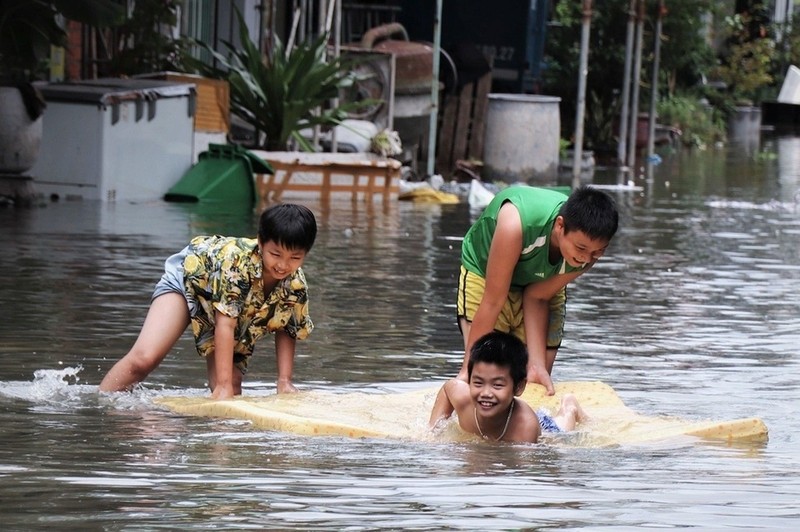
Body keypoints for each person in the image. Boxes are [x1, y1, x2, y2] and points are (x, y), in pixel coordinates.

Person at [99, 203, 317, 400]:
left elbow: (287, 328)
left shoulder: (295, 285)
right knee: (144, 360)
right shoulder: (237, 265)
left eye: (295, 258)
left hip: (226, 308)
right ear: (260, 242)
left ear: (305, 254)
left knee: (233, 385)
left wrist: (284, 381)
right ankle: (98, 405)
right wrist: (222, 387)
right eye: (275, 254)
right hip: (190, 281)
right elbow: (225, 324)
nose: (283, 265)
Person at [457, 185, 619, 395]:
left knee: (535, 380)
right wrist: (467, 369)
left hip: (541, 283)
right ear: (560, 226)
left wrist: (536, 364)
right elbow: (493, 300)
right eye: (581, 249)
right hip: (487, 275)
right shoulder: (515, 225)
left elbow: (538, 296)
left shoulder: (587, 254)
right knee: (488, 371)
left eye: (598, 252)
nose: (586, 259)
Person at [429, 331, 587, 443]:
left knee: (560, 436)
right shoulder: (462, 398)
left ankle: (569, 406)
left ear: (518, 387)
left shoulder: (525, 428)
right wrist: (435, 430)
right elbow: (448, 388)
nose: (486, 393)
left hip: (542, 427)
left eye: (497, 385)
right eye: (478, 382)